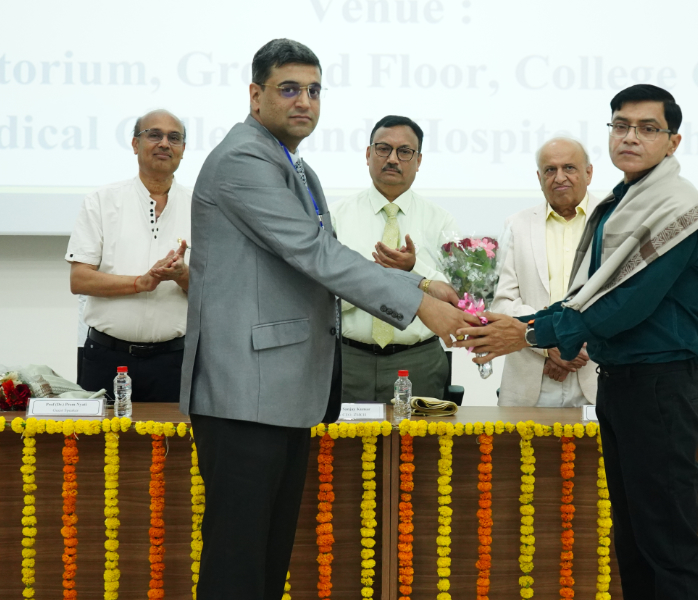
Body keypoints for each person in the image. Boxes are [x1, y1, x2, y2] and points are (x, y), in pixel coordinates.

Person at [180, 39, 478, 600]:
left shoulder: (295, 166)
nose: (304, 102)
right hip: (245, 389)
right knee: (238, 560)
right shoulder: (244, 160)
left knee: (266, 557)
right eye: (289, 89)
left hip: (280, 389)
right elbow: (315, 255)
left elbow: (328, 258)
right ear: (255, 95)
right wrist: (421, 306)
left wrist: (421, 284)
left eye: (314, 91)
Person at [456, 84, 698, 600]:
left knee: (668, 543)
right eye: (621, 125)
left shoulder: (675, 207)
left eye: (647, 128)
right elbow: (584, 297)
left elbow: (625, 304)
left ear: (673, 141)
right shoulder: (622, 203)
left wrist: (529, 331)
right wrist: (527, 326)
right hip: (621, 386)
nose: (631, 137)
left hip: (658, 388)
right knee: (634, 540)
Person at [331, 115, 460, 402]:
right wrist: (373, 279)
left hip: (418, 360)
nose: (392, 159)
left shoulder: (441, 221)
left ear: (419, 160)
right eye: (383, 149)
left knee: (419, 435)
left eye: (404, 152)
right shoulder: (337, 216)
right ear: (368, 154)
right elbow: (323, 292)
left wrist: (414, 270)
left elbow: (455, 298)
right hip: (348, 358)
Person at [66, 109, 191, 402]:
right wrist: (141, 283)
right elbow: (79, 280)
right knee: (99, 435)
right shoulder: (102, 201)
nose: (164, 143)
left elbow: (216, 291)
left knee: (176, 435)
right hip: (106, 359)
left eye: (174, 138)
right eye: (154, 135)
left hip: (175, 362)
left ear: (183, 150)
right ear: (135, 144)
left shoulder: (201, 206)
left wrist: (183, 276)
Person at [492, 137, 600, 406]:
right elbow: (502, 303)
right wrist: (547, 344)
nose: (559, 177)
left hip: (596, 376)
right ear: (539, 178)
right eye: (550, 170)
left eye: (569, 168)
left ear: (589, 173)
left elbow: (622, 300)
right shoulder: (516, 225)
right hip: (530, 379)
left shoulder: (613, 220)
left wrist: (572, 345)